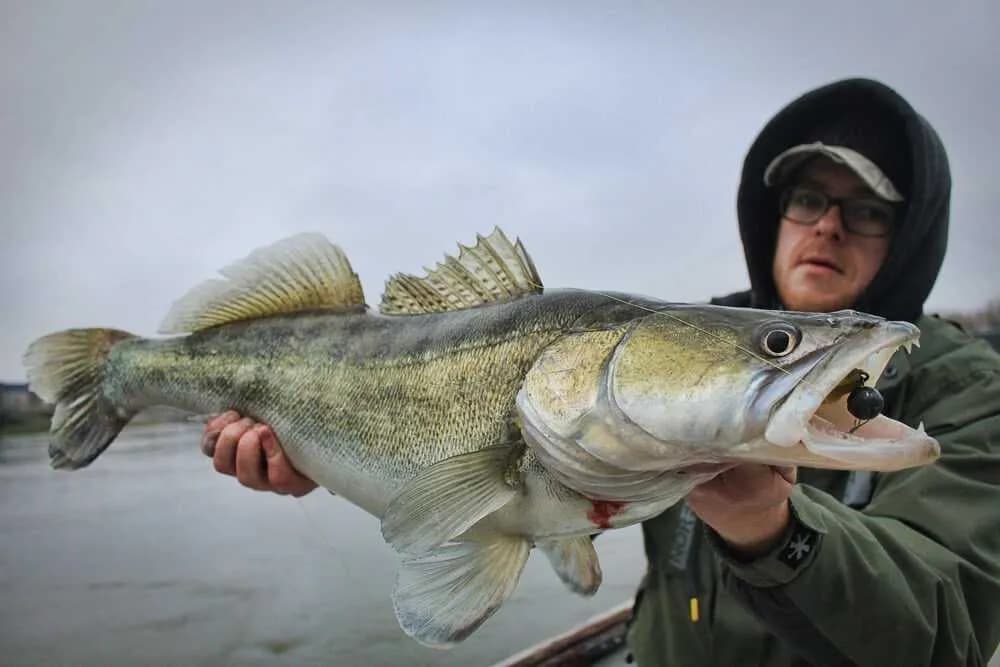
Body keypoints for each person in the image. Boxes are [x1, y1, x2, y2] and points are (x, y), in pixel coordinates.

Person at [199, 78, 1000, 665]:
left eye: (867, 210)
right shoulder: (674, 344)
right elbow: (531, 483)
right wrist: (317, 455)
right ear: (772, 216)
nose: (827, 227)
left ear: (913, 232)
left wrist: (773, 528)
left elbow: (952, 637)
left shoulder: (972, 390)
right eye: (806, 199)